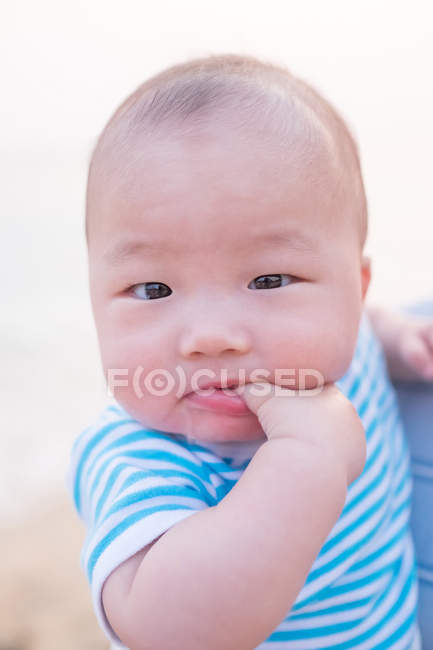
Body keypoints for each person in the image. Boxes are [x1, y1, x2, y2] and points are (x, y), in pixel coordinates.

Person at [67, 54, 433, 649]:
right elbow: (170, 630)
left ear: (353, 289)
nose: (211, 336)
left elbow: (362, 326)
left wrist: (397, 338)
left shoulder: (344, 352)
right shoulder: (142, 460)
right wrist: (306, 463)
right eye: (153, 289)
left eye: (268, 281)